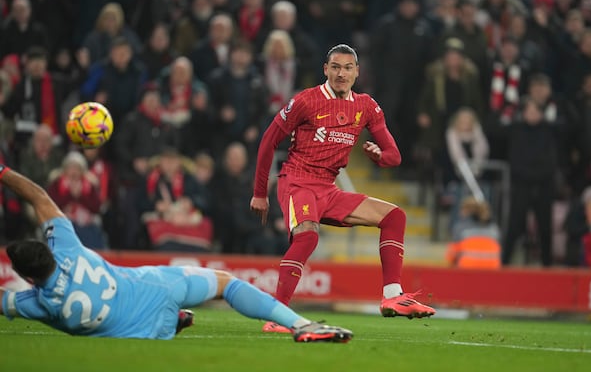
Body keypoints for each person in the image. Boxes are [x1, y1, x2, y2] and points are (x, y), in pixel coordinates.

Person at [0, 164, 352, 343]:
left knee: (139, 326)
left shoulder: (37, 304)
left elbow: (6, 301)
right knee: (225, 284)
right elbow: (39, 197)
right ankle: (301, 325)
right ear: (50, 251)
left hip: (145, 331)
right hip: (155, 288)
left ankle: (176, 320)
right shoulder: (69, 250)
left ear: (29, 279)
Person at [250, 44, 436, 334]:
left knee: (394, 216)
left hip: (328, 187)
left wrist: (379, 157)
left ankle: (392, 296)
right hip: (298, 181)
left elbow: (394, 156)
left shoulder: (366, 106)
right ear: (326, 69)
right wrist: (260, 192)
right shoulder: (306, 101)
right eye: (335, 67)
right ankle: (277, 317)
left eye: (348, 68)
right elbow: (268, 141)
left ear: (357, 72)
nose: (341, 73)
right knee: (308, 237)